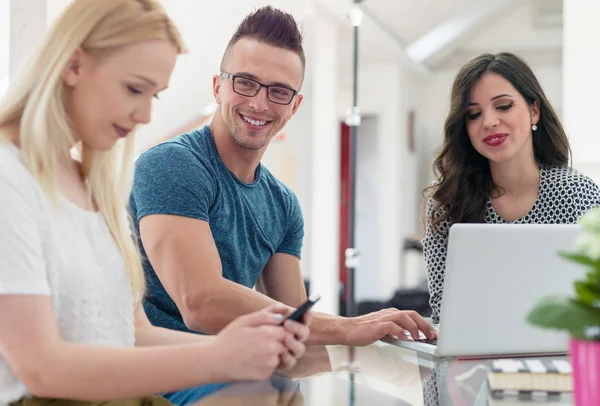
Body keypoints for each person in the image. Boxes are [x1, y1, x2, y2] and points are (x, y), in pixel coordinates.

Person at [0, 1, 310, 404]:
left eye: (155, 96)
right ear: (74, 66)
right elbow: (42, 368)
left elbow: (134, 334)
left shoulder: (92, 187)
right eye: (134, 89)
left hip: (120, 395)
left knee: (280, 393)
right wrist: (219, 356)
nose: (146, 116)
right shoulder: (10, 175)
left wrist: (241, 348)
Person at [130, 5, 438, 354]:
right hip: (156, 378)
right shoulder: (172, 164)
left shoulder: (282, 204)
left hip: (235, 374)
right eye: (245, 83)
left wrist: (371, 363)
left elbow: (298, 330)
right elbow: (200, 303)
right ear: (217, 87)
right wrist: (348, 327)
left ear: (294, 106)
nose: (260, 104)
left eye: (279, 91)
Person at [422, 52, 600, 324]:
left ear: (534, 110)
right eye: (473, 114)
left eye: (503, 106)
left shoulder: (577, 195)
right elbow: (442, 313)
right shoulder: (448, 200)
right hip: (470, 360)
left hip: (561, 360)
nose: (489, 121)